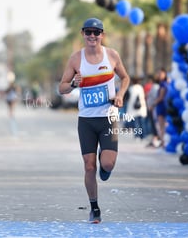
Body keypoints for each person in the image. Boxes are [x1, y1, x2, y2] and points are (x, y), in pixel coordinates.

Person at [58, 17, 130, 223]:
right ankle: (94, 207)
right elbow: (61, 88)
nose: (92, 36)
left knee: (107, 164)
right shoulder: (75, 59)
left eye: (96, 32)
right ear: (82, 34)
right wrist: (73, 84)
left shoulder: (112, 55)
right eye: (88, 32)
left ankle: (104, 162)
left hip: (108, 118)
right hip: (87, 121)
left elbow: (125, 78)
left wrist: (120, 95)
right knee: (89, 167)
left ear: (102, 35)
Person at [151, 68, 168, 148]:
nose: (159, 75)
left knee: (161, 126)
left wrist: (153, 103)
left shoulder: (163, 84)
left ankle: (163, 142)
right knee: (162, 125)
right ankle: (163, 142)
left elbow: (161, 97)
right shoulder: (166, 83)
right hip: (164, 105)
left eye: (161, 74)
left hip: (161, 106)